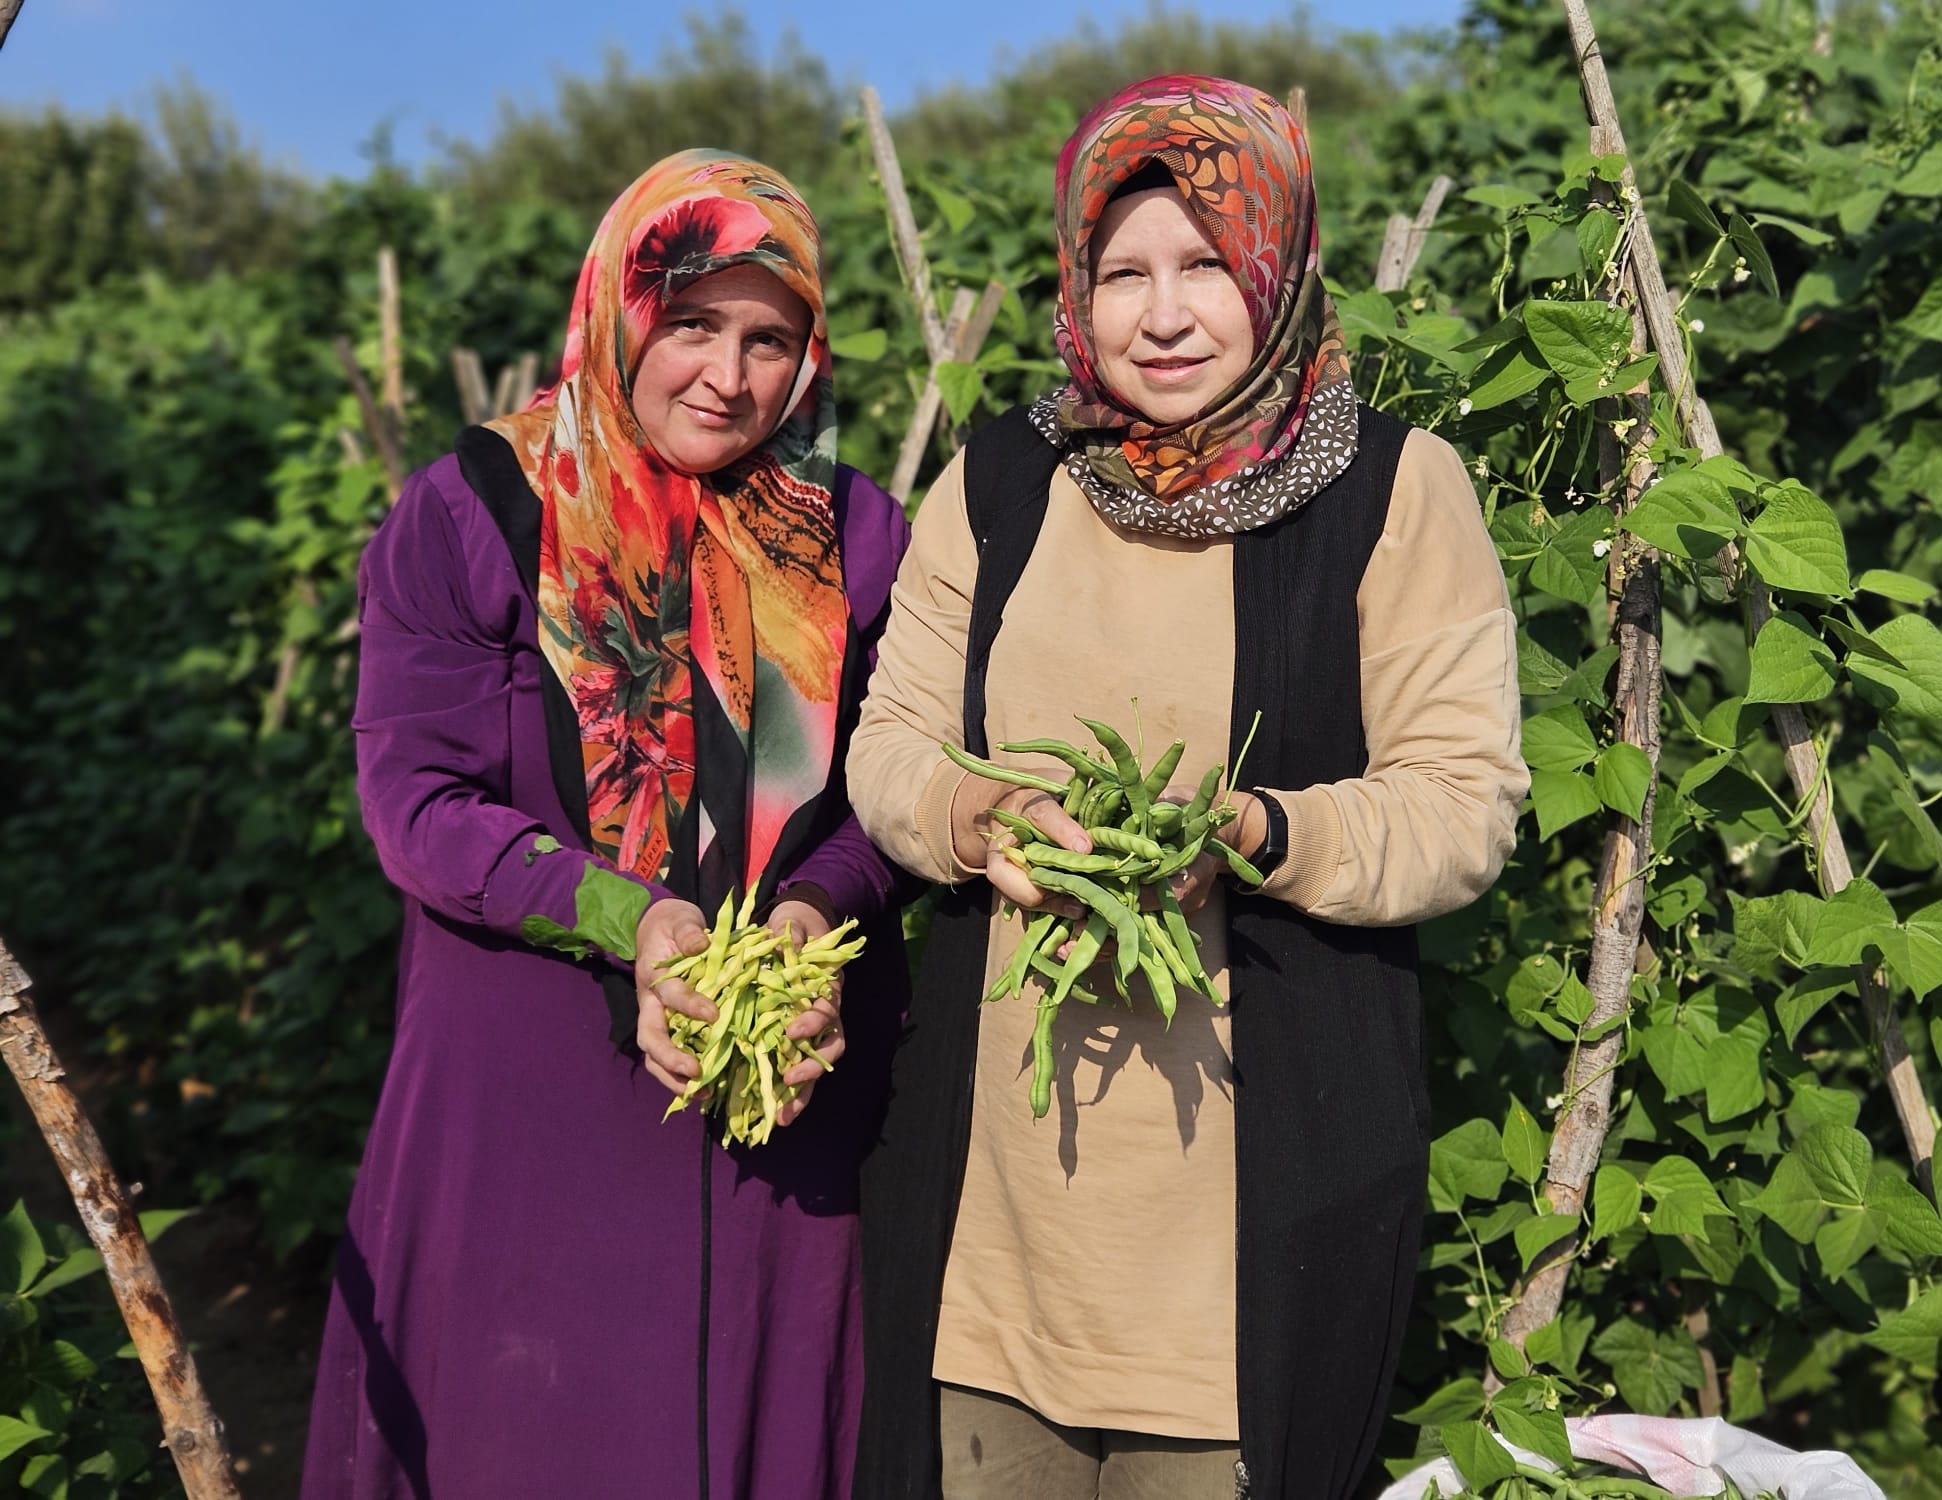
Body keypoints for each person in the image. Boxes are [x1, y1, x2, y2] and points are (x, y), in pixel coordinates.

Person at [846, 76, 1528, 1500]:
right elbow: (892, 742)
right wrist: (980, 821)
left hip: (1246, 1239)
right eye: (1123, 272)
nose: (1162, 315)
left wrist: (1261, 831)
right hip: (1001, 1236)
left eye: (1207, 264)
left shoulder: (1393, 492)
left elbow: (1464, 802)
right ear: (1075, 288)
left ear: (1274, 267)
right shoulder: (1004, 482)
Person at [301, 151, 911, 1500]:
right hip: (530, 1089)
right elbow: (417, 803)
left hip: (771, 1089)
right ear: (622, 312)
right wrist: (633, 919)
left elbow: (885, 796)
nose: (727, 377)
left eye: (770, 339)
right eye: (690, 323)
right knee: (529, 1434)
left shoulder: (854, 537)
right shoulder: (471, 516)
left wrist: (808, 917)